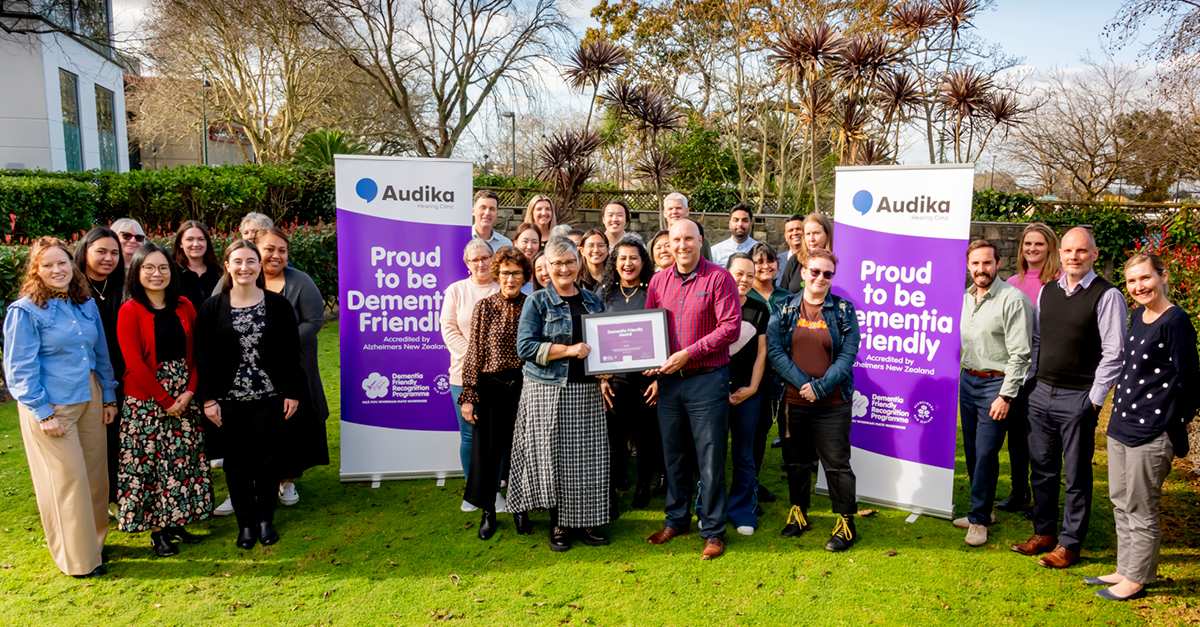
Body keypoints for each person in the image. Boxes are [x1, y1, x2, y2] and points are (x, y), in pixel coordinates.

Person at [4, 237, 118, 577]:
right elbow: (19, 369)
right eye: (48, 265)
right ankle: (79, 560)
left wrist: (109, 395)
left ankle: (94, 542)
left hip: (91, 397)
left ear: (73, 266)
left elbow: (101, 355)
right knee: (69, 482)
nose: (57, 270)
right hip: (53, 406)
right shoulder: (24, 311)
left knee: (96, 479)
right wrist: (43, 412)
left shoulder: (84, 304)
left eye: (62, 263)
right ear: (36, 270)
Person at [1012, 227, 1126, 569]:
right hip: (1041, 393)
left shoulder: (1107, 296)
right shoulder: (1048, 292)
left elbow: (1114, 352)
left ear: (1093, 254)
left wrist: (1093, 400)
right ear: (1058, 254)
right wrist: (1031, 381)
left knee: (1076, 475)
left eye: (1081, 251)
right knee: (1042, 470)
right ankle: (1043, 532)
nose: (1073, 257)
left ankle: (1070, 543)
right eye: (1067, 251)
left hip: (1078, 398)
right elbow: (1036, 340)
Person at [1090, 253, 1198, 601]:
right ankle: (1127, 568)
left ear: (1162, 276)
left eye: (1145, 278)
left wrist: (1169, 422)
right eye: (1133, 281)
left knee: (1141, 506)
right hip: (1122, 425)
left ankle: (1137, 579)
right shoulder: (1138, 315)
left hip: (1151, 432)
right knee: (1121, 501)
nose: (1139, 286)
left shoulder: (1175, 321)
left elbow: (1189, 382)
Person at [195, 240, 303, 550]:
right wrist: (208, 399)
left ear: (259, 266)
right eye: (238, 261)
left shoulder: (277, 305)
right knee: (237, 464)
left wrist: (292, 392)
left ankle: (266, 520)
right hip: (228, 402)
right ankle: (245, 525)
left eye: (251, 261)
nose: (244, 267)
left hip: (269, 398)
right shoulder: (212, 308)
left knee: (268, 461)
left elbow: (290, 353)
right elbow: (203, 357)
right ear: (227, 266)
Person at [644, 219, 740, 560]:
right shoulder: (658, 281)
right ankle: (677, 518)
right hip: (670, 384)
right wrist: (653, 364)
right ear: (668, 244)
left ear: (700, 240)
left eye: (688, 238)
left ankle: (713, 531)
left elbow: (730, 327)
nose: (681, 245)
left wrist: (689, 353)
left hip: (706, 380)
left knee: (710, 458)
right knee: (674, 455)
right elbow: (649, 329)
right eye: (676, 239)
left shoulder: (718, 278)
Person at [510, 237, 610, 552]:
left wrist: (607, 368)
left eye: (569, 262)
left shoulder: (594, 300)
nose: (564, 269)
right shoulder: (536, 301)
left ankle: (588, 521)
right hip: (548, 389)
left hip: (586, 390)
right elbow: (524, 347)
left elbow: (605, 344)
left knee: (587, 459)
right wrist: (568, 350)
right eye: (557, 264)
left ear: (578, 263)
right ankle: (560, 523)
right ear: (547, 268)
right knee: (554, 458)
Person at [115, 244, 212, 557]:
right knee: (153, 466)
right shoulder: (130, 310)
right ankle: (158, 532)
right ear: (137, 272)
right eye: (149, 268)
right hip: (146, 401)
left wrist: (189, 392)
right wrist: (165, 399)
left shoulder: (184, 305)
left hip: (184, 395)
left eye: (163, 268)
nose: (157, 274)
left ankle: (177, 520)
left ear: (172, 272)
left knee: (181, 463)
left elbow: (197, 351)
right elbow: (134, 363)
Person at [767, 249, 862, 552]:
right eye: (815, 271)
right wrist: (803, 383)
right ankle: (799, 512)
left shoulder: (844, 310)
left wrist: (820, 388)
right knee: (795, 461)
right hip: (793, 401)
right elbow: (776, 352)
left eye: (827, 274)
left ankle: (846, 522)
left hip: (832, 404)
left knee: (836, 465)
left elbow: (848, 356)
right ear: (804, 272)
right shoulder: (784, 308)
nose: (820, 278)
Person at [954, 240, 1032, 547]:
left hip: (995, 386)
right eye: (975, 263)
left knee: (986, 451)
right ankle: (983, 509)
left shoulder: (1013, 300)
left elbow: (1021, 354)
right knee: (973, 450)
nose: (981, 269)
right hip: (968, 381)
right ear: (968, 265)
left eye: (987, 263)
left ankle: (979, 521)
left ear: (998, 264)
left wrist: (1006, 395)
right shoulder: (965, 298)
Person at [460, 246, 532, 539]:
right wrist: (469, 394)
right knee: (487, 453)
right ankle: (488, 511)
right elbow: (474, 351)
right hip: (489, 387)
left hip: (523, 386)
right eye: (504, 273)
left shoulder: (532, 304)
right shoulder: (485, 307)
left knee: (520, 452)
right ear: (497, 274)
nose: (510, 279)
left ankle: (520, 508)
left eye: (515, 273)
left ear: (524, 276)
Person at [258, 228, 329, 507]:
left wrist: (278, 343)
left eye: (282, 250)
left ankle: (287, 480)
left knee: (290, 422)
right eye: (269, 249)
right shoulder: (240, 276)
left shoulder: (301, 281)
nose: (276, 255)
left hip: (293, 367)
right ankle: (250, 482)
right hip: (250, 372)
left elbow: (313, 321)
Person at [998, 222, 1061, 513]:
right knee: (1016, 438)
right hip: (1016, 373)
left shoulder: (1058, 282)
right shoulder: (1012, 282)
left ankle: (1041, 498)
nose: (1032, 249)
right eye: (1027, 244)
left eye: (1038, 244)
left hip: (1044, 371)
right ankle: (1018, 492)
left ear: (1050, 247)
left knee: (1041, 442)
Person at [597, 236, 662, 511]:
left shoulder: (653, 293)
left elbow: (666, 335)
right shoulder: (604, 295)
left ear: (643, 261)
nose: (628, 263)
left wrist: (660, 377)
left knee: (646, 436)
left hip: (646, 379)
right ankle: (612, 489)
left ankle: (643, 486)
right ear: (615, 262)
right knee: (613, 438)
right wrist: (600, 377)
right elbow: (594, 337)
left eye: (634, 258)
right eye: (622, 258)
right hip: (614, 380)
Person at [440, 239, 499, 511]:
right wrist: (475, 357)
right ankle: (471, 491)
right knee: (469, 435)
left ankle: (495, 490)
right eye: (475, 259)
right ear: (467, 264)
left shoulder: (503, 289)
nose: (481, 263)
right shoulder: (456, 291)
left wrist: (492, 360)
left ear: (493, 258)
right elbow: (449, 329)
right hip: (462, 375)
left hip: (499, 376)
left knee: (495, 435)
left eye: (485, 257)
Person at [73, 227, 125, 506]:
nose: (109, 258)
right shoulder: (72, 287)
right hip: (87, 374)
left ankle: (116, 494)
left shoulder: (123, 286)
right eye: (101, 251)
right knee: (92, 443)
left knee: (116, 437)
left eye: (114, 253)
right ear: (85, 251)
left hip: (121, 371)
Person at [722, 253, 769, 536]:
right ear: (726, 273)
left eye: (749, 276)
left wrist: (752, 388)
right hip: (714, 392)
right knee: (712, 454)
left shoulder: (760, 309)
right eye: (739, 273)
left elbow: (762, 353)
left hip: (749, 392)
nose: (744, 280)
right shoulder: (713, 304)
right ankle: (709, 509)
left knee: (745, 453)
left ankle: (742, 509)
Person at [747, 241, 789, 503]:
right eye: (759, 261)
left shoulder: (786, 297)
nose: (765, 266)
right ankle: (744, 482)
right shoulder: (743, 295)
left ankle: (754, 481)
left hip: (779, 372)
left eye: (770, 260)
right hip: (750, 371)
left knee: (764, 428)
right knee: (748, 429)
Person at [172, 220, 222, 315]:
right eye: (190, 239)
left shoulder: (218, 273)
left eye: (201, 239)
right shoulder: (172, 272)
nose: (196, 244)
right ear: (180, 243)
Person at [779, 213, 832, 293]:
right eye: (808, 234)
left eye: (816, 233)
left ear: (827, 234)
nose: (811, 239)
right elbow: (782, 294)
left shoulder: (836, 262)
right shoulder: (795, 260)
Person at [661, 192, 712, 260]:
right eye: (670, 209)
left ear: (687, 211)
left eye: (678, 208)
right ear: (664, 213)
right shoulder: (656, 244)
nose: (674, 212)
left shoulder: (700, 242)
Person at [776, 215, 805, 288]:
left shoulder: (813, 260)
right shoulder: (776, 261)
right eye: (790, 230)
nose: (795, 233)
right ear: (785, 236)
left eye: (798, 229)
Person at [579, 228, 609, 292]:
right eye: (591, 246)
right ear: (582, 251)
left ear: (607, 250)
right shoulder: (576, 280)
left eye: (601, 245)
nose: (596, 250)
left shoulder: (616, 278)